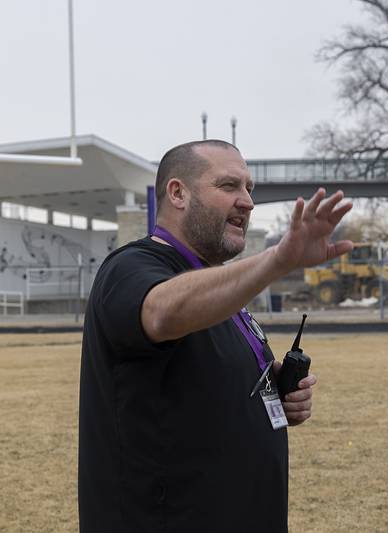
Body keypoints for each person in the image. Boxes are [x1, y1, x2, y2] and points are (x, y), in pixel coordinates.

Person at [78, 139, 353, 533]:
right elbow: (161, 312)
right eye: (228, 186)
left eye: (250, 189)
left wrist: (272, 393)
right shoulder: (130, 266)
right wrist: (277, 259)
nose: (248, 202)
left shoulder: (219, 287)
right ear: (178, 193)